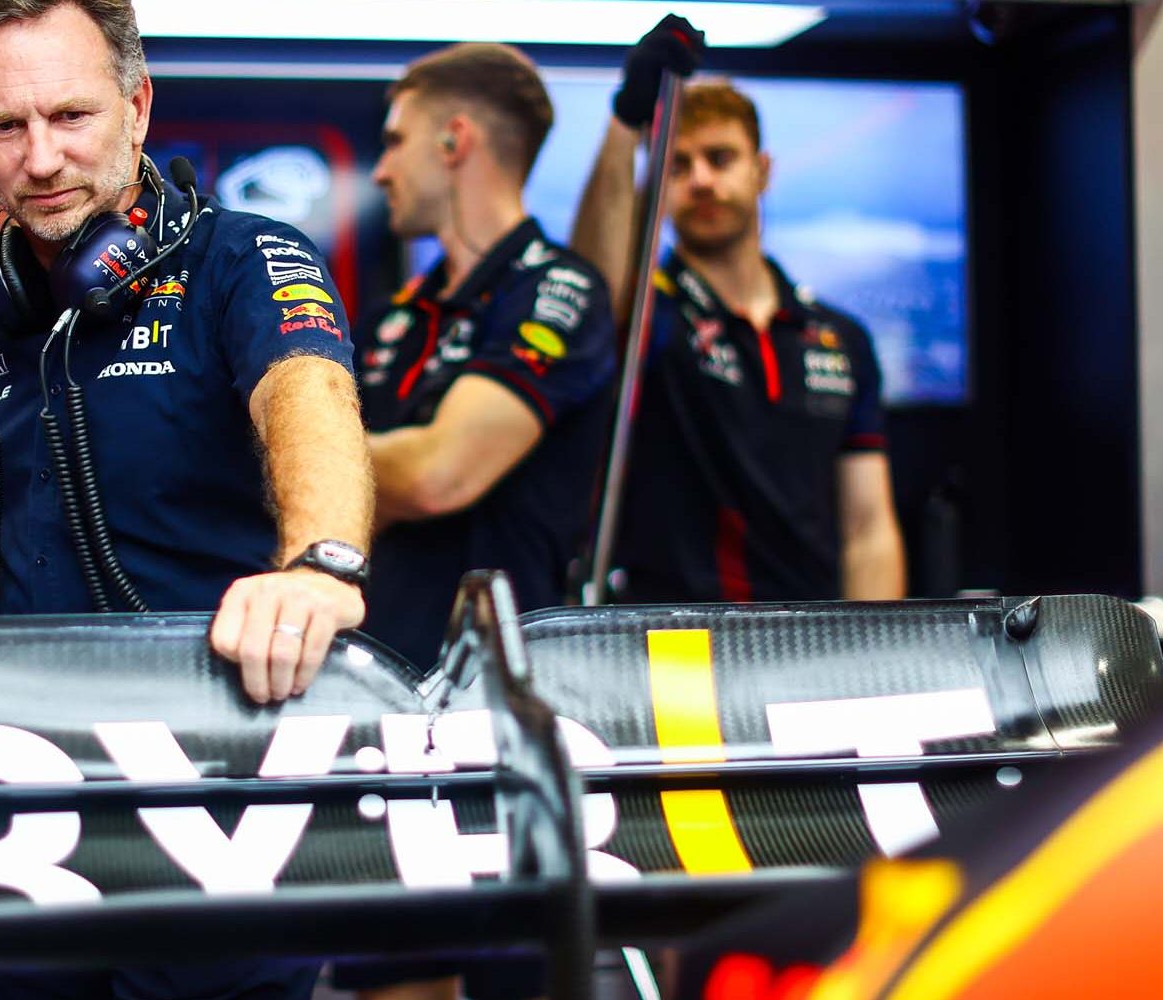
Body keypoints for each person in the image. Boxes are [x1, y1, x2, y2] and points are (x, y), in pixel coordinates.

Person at [0, 0, 373, 996]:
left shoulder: (241, 259)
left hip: (218, 816)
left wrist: (322, 564)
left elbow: (309, 390)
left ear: (138, 106)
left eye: (72, 116)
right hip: (31, 834)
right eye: (6, 127)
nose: (41, 158)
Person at [339, 44, 619, 1000]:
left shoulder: (556, 290)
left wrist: (298, 461)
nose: (378, 168)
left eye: (395, 141)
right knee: (389, 979)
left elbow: (441, 473)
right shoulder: (394, 317)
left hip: (500, 719)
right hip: (378, 703)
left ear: (455, 140)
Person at [572, 20, 906, 604]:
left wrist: (872, 657)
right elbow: (593, 283)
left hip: (811, 640)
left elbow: (868, 528)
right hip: (670, 643)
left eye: (720, 158)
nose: (700, 180)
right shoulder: (649, 316)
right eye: (677, 166)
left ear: (763, 171)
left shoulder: (839, 339)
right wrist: (627, 119)